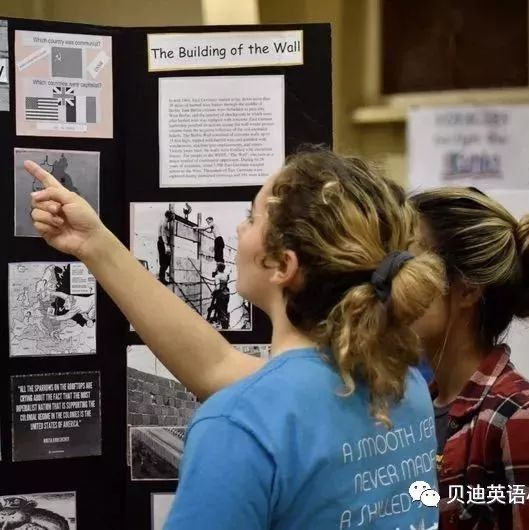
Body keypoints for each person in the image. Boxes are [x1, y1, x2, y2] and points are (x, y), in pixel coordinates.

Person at [27, 148, 444, 530]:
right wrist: (94, 243)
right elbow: (217, 367)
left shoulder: (238, 426)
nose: (240, 229)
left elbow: (244, 398)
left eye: (252, 217)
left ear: (283, 264)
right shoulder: (399, 382)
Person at [409, 187, 529, 529]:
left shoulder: (515, 418)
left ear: (467, 290)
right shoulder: (414, 407)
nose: (391, 284)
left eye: (409, 264)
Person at [206, 263, 230, 329]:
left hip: (221, 295)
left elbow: (218, 287)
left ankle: (225, 327)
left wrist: (213, 292)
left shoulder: (217, 276)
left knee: (221, 311)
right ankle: (225, 324)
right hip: (227, 294)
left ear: (218, 268)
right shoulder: (226, 275)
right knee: (224, 309)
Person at [157, 210, 173, 285]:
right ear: (168, 216)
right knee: (165, 261)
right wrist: (166, 245)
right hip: (163, 242)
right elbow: (163, 234)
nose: (172, 218)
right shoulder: (164, 223)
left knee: (165, 261)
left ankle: (162, 278)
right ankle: (161, 279)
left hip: (162, 242)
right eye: (171, 217)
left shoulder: (163, 222)